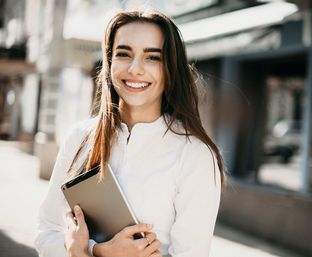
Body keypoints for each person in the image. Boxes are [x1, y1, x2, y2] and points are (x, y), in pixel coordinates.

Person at [35, 7, 225, 257]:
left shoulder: (195, 156)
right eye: (124, 54)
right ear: (109, 62)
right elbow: (46, 234)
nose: (135, 69)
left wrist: (85, 250)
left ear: (170, 69)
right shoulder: (80, 138)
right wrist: (98, 252)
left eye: (152, 57)